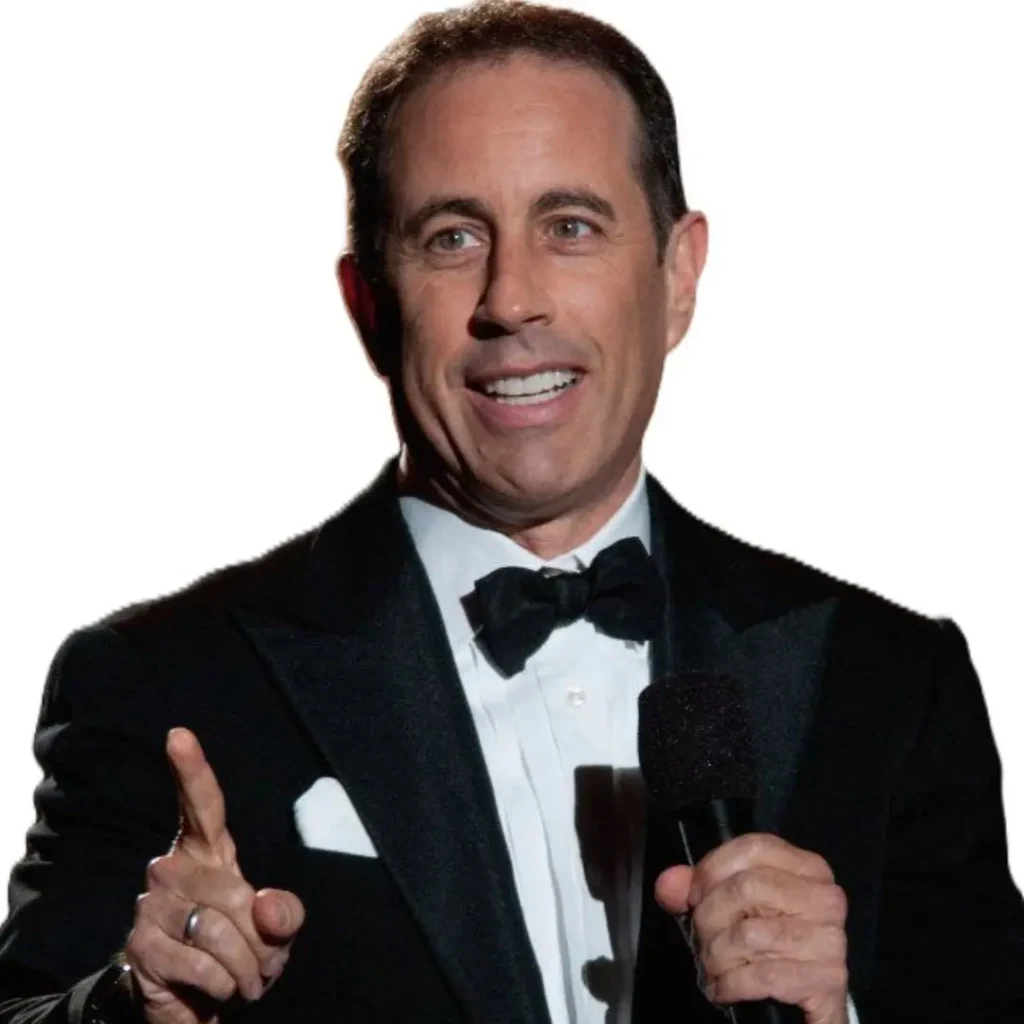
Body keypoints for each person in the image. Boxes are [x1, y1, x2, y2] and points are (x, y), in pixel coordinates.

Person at [1, 1, 1022, 1021]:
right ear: (367, 303)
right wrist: (135, 1005)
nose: (510, 299)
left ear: (677, 276)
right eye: (451, 238)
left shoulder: (889, 682)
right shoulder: (163, 683)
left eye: (570, 226)